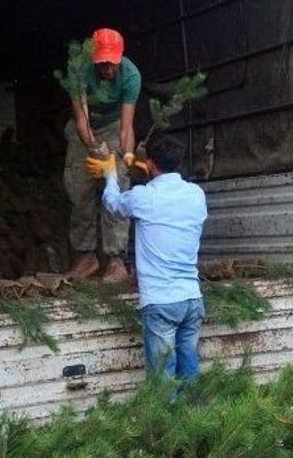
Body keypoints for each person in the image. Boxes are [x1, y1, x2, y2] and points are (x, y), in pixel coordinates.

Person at [85, 133, 208, 380]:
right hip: (192, 299)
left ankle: (165, 408)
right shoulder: (196, 194)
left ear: (150, 163)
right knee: (189, 376)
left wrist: (110, 175)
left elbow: (114, 205)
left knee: (162, 380)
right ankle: (193, 406)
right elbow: (167, 206)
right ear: (179, 162)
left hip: (161, 302)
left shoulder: (143, 196)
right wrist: (147, 175)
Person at [64, 28, 141, 283]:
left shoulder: (130, 76)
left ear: (120, 57)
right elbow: (82, 120)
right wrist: (95, 149)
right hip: (84, 130)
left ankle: (116, 260)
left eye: (112, 63)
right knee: (79, 189)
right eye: (102, 63)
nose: (108, 69)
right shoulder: (78, 69)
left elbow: (126, 126)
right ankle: (85, 257)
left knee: (116, 186)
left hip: (113, 127)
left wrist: (126, 155)